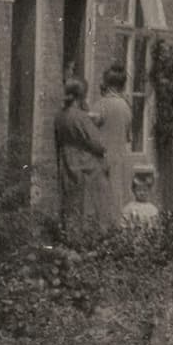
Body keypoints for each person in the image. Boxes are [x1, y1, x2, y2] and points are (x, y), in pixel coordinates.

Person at [54, 79, 109, 238]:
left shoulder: (59, 116)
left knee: (69, 201)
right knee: (87, 205)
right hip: (84, 165)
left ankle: (68, 236)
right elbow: (99, 144)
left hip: (66, 161)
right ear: (82, 96)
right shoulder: (81, 117)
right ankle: (85, 240)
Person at [96, 62, 136, 222]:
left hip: (102, 158)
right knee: (117, 197)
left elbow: (88, 130)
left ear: (106, 84)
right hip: (120, 158)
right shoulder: (126, 107)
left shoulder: (101, 105)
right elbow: (127, 136)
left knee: (101, 199)